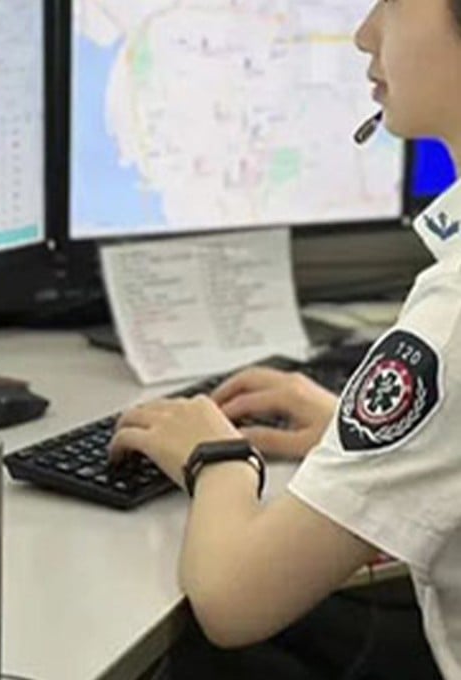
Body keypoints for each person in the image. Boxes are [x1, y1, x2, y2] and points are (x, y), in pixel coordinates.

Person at [110, 1, 461, 677]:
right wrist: (356, 436)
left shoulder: (449, 322)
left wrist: (216, 458)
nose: (365, 34)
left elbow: (232, 599)